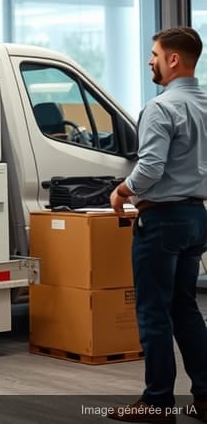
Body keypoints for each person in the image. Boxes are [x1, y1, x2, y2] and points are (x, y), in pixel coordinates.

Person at [109, 26, 207, 424]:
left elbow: (150, 166)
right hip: (197, 217)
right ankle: (204, 398)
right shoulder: (204, 104)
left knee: (153, 311)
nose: (150, 60)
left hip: (163, 219)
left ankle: (157, 403)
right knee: (186, 307)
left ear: (173, 60)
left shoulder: (162, 107)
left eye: (154, 53)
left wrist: (121, 191)